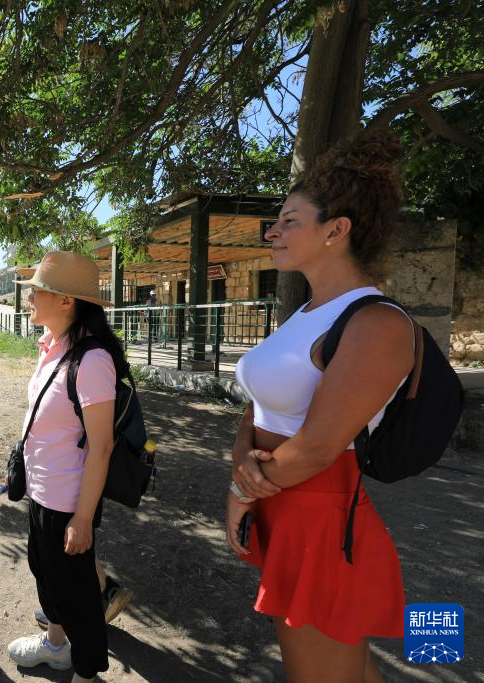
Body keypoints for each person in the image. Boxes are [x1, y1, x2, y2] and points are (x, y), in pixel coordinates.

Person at [228, 133, 411, 681]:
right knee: (342, 666)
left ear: (336, 230)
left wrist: (242, 491)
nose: (272, 232)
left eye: (289, 221)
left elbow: (316, 448)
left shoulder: (375, 322)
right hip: (281, 501)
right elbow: (260, 404)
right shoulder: (309, 312)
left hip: (319, 517)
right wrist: (239, 465)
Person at [5, 251, 128, 682]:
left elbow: (102, 448)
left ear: (66, 300)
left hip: (66, 502)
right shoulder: (54, 347)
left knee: (78, 599)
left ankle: (86, 673)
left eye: (38, 290)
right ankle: (56, 646)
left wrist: (83, 518)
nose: (29, 297)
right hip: (43, 491)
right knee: (48, 579)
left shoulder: (92, 361)